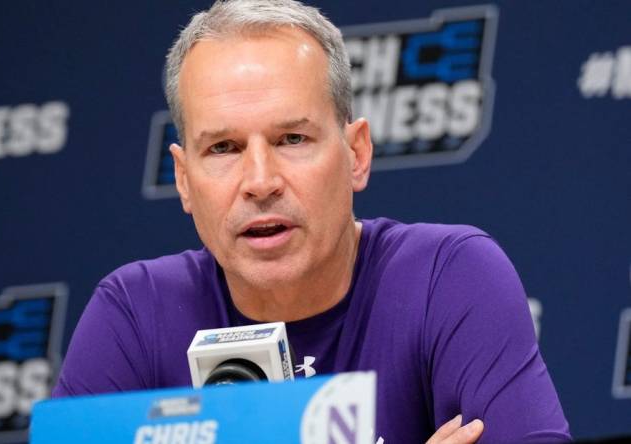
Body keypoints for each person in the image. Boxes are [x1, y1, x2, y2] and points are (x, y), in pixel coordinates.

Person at [53, 0, 571, 442]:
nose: (260, 180)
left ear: (357, 154)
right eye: (224, 147)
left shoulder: (451, 279)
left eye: (291, 140)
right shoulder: (134, 315)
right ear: (184, 180)